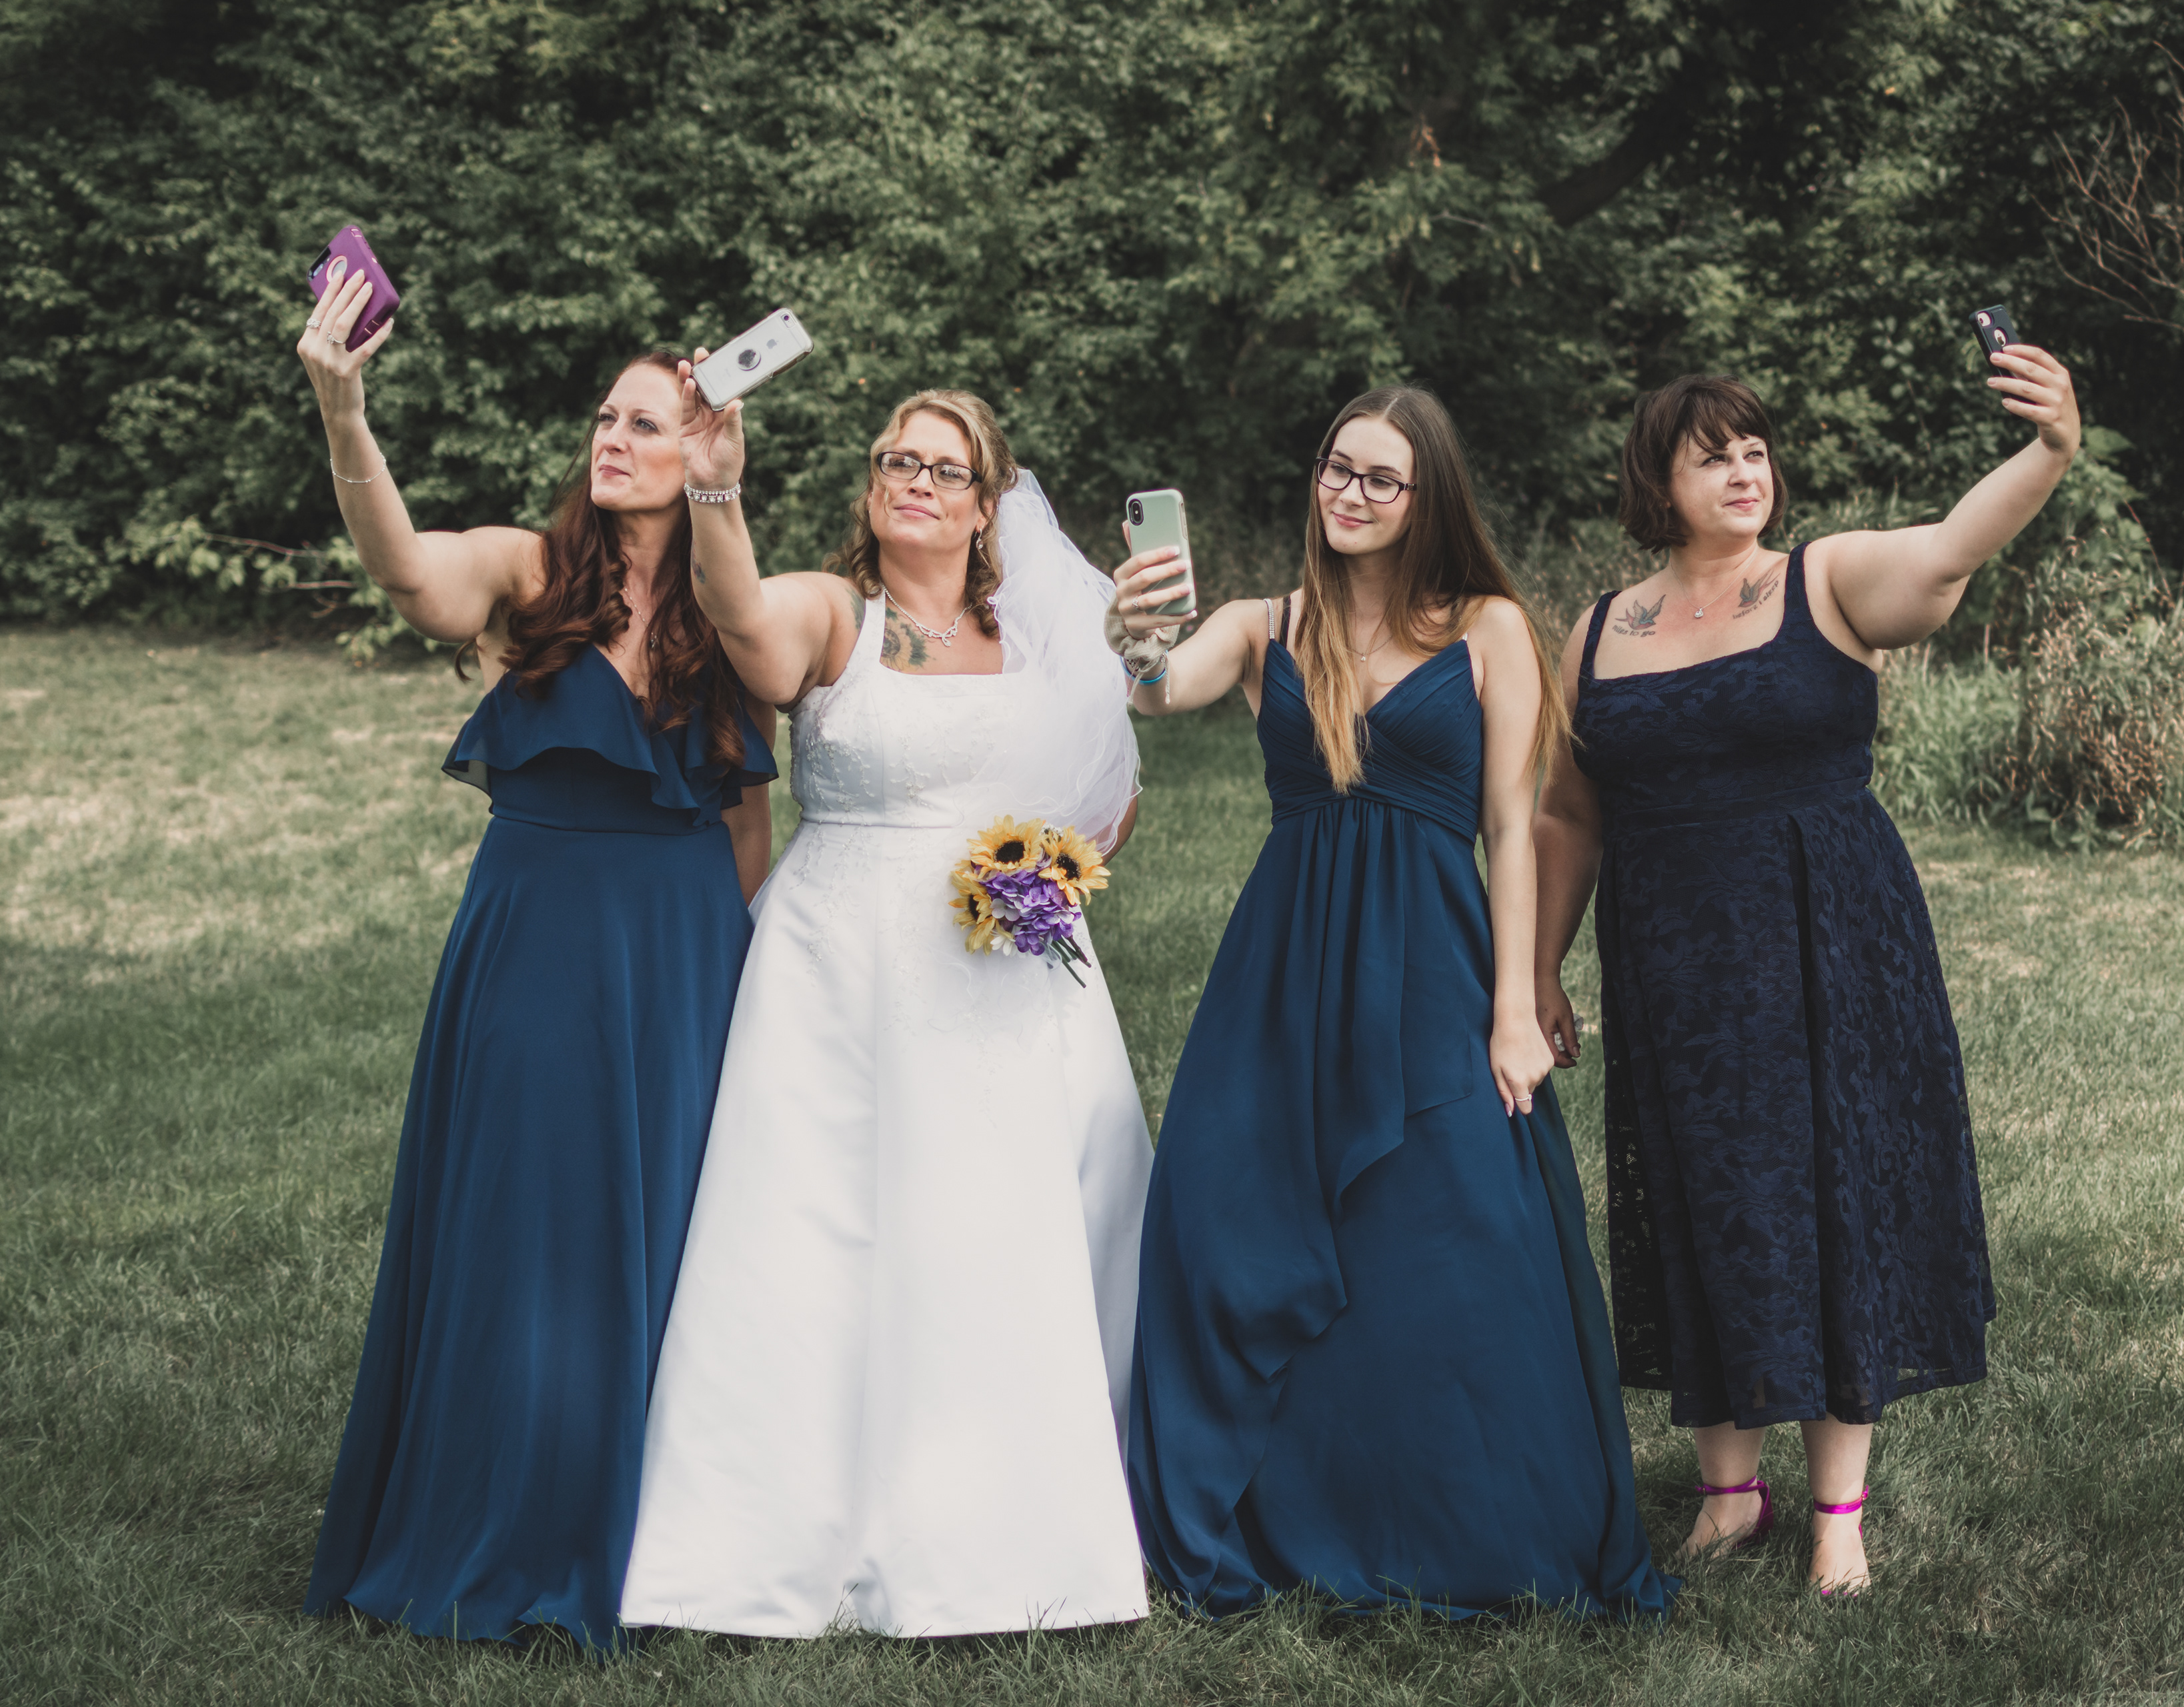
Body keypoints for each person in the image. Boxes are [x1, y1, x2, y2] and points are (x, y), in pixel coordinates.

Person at [1109, 386, 1673, 1619]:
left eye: (1380, 478)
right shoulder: (1266, 625)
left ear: (1427, 498)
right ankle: (1276, 1503)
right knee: (1230, 1212)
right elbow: (1157, 691)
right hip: (1283, 966)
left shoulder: (1488, 628)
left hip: (1430, 960)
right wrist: (1136, 633)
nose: (1350, 494)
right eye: (1336, 468)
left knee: (1450, 1225)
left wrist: (1516, 1006)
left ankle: (1467, 1524)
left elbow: (1513, 828)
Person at [1530, 351, 2083, 1594]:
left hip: (1825, 937)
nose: (1745, 472)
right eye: (1711, 456)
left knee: (1835, 1194)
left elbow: (1949, 549)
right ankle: (1729, 1493)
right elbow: (1569, 813)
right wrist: (1545, 970)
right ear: (1656, 482)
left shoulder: (1822, 580)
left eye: (1755, 450)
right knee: (1697, 1192)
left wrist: (2050, 449)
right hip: (1671, 961)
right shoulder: (1600, 630)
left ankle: (1839, 1512)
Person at [616, 381, 1153, 1638]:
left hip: (1006, 972)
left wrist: (1050, 866)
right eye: (895, 460)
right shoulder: (831, 614)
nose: (914, 480)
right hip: (840, 965)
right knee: (817, 1235)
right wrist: (715, 485)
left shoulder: (1037, 642)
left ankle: (1010, 1532)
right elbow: (743, 624)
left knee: (995, 1231)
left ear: (985, 505)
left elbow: (1105, 804)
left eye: (943, 468)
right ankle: (778, 1535)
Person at [295, 265, 778, 1648]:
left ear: (703, 447)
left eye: (647, 422)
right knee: (525, 1216)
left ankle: (651, 1536)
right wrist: (346, 411)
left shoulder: (733, 607)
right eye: (606, 419)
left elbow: (750, 820)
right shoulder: (530, 572)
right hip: (540, 939)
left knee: (665, 1225)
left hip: (682, 951)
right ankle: (499, 1517)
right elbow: (407, 572)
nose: (613, 439)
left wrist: (746, 986)